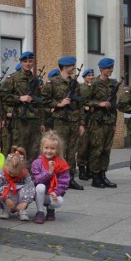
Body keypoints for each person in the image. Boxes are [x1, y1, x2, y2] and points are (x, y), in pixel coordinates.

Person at [42, 56, 85, 190]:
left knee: (72, 151)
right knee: (60, 150)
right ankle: (57, 177)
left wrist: (81, 123)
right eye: (72, 65)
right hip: (60, 120)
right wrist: (59, 104)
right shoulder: (52, 82)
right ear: (65, 66)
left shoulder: (75, 83)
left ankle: (70, 178)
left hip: (74, 120)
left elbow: (80, 104)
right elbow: (44, 101)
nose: (73, 67)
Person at [0, 51, 44, 166]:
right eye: (25, 62)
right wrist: (20, 98)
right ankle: (15, 172)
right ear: (21, 62)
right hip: (20, 119)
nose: (28, 64)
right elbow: (3, 96)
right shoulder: (13, 78)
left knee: (34, 148)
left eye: (30, 61)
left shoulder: (35, 80)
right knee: (19, 148)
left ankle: (30, 174)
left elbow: (40, 102)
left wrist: (42, 122)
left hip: (34, 119)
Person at [83, 58, 119, 189]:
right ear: (102, 69)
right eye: (109, 68)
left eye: (112, 67)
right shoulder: (94, 84)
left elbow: (114, 106)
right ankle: (96, 176)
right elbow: (85, 101)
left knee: (106, 150)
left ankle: (103, 175)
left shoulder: (112, 85)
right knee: (96, 150)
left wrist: (115, 123)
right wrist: (99, 104)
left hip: (109, 122)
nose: (111, 70)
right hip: (97, 123)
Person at [31, 131, 70, 224]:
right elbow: (36, 180)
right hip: (39, 194)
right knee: (40, 186)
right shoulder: (37, 163)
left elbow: (64, 182)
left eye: (52, 148)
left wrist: (56, 192)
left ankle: (50, 209)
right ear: (42, 147)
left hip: (52, 193)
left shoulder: (61, 163)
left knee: (59, 201)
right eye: (46, 148)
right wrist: (49, 172)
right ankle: (40, 211)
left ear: (57, 149)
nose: (49, 151)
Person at [0, 153, 35, 221]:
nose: (12, 175)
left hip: (20, 197)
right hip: (7, 197)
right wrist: (6, 198)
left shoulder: (25, 174)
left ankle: (21, 211)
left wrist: (25, 202)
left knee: (25, 189)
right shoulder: (1, 174)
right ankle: (6, 210)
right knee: (4, 188)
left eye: (15, 174)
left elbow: (30, 187)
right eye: (10, 173)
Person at [77, 68, 95, 180]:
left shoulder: (94, 88)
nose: (91, 77)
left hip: (94, 121)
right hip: (85, 119)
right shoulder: (81, 88)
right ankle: (82, 170)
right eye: (89, 75)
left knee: (92, 146)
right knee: (83, 147)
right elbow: (80, 103)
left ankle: (90, 169)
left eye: (92, 75)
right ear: (84, 77)